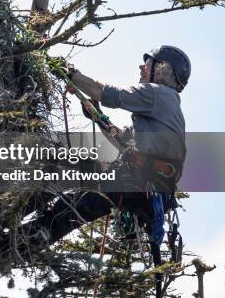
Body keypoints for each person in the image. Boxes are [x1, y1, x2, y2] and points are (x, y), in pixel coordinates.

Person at [24, 45, 191, 246]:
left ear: (163, 69)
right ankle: (22, 237)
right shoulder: (166, 109)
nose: (141, 66)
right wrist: (97, 115)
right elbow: (122, 140)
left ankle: (13, 218)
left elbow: (105, 92)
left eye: (147, 62)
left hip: (135, 183)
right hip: (140, 189)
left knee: (64, 182)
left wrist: (69, 73)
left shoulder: (159, 94)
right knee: (72, 209)